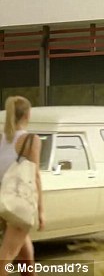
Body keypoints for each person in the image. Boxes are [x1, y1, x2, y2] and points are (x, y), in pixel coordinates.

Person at [0, 96, 45, 274]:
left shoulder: (1, 140)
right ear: (27, 114)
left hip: (3, 201)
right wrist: (41, 211)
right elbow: (36, 177)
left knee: (26, 256)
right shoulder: (31, 140)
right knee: (7, 255)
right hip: (19, 204)